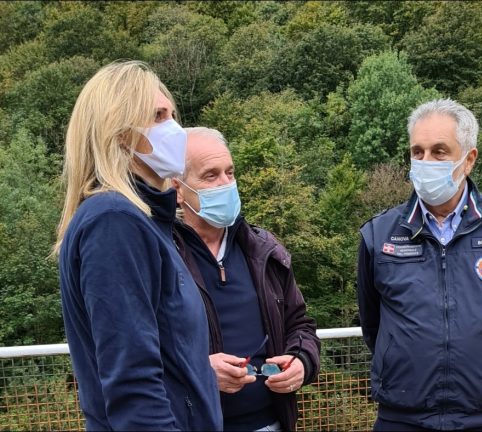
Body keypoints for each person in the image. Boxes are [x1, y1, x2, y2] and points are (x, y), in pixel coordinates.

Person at [357, 99, 482, 432]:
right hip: (402, 417)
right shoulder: (378, 233)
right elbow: (372, 322)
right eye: (417, 152)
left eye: (439, 152)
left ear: (469, 159)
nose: (425, 162)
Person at [55, 61, 222, 431]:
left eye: (172, 115)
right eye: (158, 116)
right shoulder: (115, 221)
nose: (174, 128)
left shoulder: (146, 221)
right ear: (119, 133)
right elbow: (133, 383)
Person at [172, 127, 320, 431]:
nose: (226, 183)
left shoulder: (264, 249)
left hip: (270, 423)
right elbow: (138, 352)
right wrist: (199, 371)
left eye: (230, 172)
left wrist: (302, 361)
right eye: (211, 175)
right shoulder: (160, 257)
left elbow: (300, 324)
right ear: (177, 190)